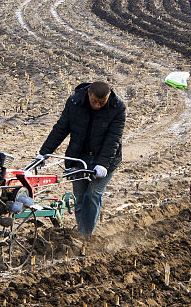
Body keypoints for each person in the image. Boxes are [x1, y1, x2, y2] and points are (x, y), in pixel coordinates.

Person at [38, 81, 126, 238]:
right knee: (79, 198)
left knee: (92, 196)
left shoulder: (117, 108)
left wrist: (103, 165)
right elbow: (61, 128)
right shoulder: (75, 102)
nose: (97, 105)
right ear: (88, 94)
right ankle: (82, 232)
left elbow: (113, 139)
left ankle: (85, 237)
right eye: (94, 101)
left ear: (108, 97)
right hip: (79, 157)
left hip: (105, 160)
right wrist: (44, 153)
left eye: (101, 102)